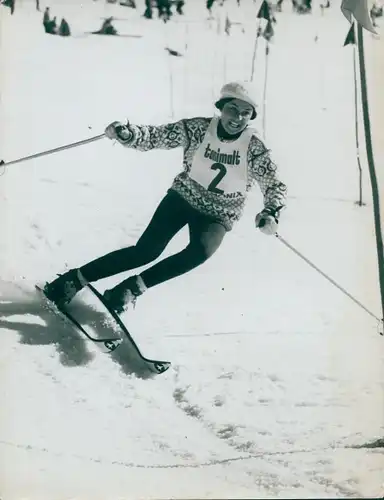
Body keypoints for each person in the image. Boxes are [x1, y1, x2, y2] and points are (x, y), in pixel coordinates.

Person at [44, 81, 287, 314]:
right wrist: (128, 134)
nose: (238, 118)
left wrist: (271, 211)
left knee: (200, 252)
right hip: (183, 197)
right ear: (221, 108)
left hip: (219, 213)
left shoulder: (254, 147)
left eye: (246, 112)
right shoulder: (198, 129)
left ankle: (127, 291)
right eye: (232, 109)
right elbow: (155, 136)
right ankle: (71, 281)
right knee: (146, 251)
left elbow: (273, 183)